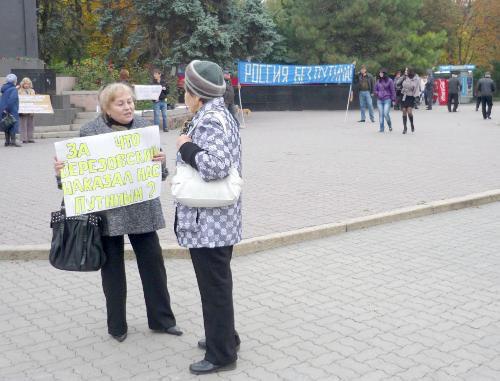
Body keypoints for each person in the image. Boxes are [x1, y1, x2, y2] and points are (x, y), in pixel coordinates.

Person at [53, 83, 182, 342]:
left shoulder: (145, 130)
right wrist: (62, 173)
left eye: (131, 102)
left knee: (153, 266)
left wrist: (161, 163)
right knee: (112, 270)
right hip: (107, 214)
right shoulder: (89, 131)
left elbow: (160, 175)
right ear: (107, 108)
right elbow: (77, 176)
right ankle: (117, 326)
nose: (128, 107)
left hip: (141, 209)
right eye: (121, 103)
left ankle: (162, 320)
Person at [175, 60, 242, 375]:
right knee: (219, 283)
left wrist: (186, 147)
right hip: (217, 221)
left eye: (186, 89)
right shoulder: (217, 113)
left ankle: (222, 354)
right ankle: (224, 336)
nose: (183, 94)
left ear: (197, 93)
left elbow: (216, 166)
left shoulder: (210, 119)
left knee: (213, 287)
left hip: (209, 224)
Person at [0, 73, 21, 147]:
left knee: (6, 124)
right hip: (11, 109)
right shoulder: (14, 89)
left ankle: (7, 141)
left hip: (3, 109)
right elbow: (12, 100)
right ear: (15, 81)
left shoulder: (4, 88)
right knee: (13, 124)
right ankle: (13, 141)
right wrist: (8, 109)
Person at [398, 68, 420, 134]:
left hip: (411, 96)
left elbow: (416, 88)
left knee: (409, 112)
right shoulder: (404, 77)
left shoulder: (416, 78)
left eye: (406, 71)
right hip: (403, 95)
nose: (405, 72)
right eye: (405, 71)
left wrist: (416, 97)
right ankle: (405, 127)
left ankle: (412, 124)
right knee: (404, 111)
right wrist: (402, 77)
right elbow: (397, 83)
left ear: (410, 71)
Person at [374, 68, 396, 132]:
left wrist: (394, 100)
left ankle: (390, 125)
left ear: (384, 73)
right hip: (379, 100)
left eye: (381, 73)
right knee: (381, 114)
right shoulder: (378, 81)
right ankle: (381, 128)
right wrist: (378, 93)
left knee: (386, 114)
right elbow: (375, 90)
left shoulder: (390, 81)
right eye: (379, 73)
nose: (380, 74)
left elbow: (393, 90)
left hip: (387, 99)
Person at [18, 77, 36, 143]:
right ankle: (24, 138)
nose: (26, 85)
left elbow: (35, 99)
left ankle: (30, 138)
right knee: (23, 125)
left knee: (31, 124)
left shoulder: (32, 91)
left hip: (31, 109)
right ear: (22, 84)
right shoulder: (19, 91)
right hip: (23, 110)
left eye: (28, 84)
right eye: (25, 84)